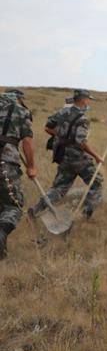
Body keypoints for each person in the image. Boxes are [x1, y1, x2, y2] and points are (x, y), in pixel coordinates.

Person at [28, 89, 103, 221]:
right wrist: (96, 156)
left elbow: (47, 127)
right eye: (88, 99)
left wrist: (61, 137)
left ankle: (35, 210)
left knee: (59, 188)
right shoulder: (82, 118)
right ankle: (86, 214)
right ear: (83, 100)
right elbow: (81, 141)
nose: (89, 102)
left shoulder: (61, 112)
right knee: (96, 183)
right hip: (78, 158)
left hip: (62, 155)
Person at [0, 89, 36, 259]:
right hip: (6, 163)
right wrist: (31, 166)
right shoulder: (22, 111)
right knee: (13, 205)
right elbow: (27, 142)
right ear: (19, 99)